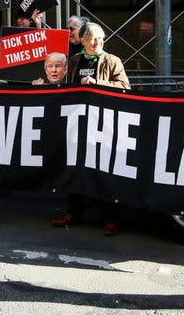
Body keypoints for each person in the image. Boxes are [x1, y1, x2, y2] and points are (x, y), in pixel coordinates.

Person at [53, 22, 131, 236]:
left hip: (102, 125)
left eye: (100, 38)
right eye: (93, 39)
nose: (98, 42)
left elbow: (125, 87)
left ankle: (111, 219)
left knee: (102, 172)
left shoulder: (112, 61)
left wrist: (97, 83)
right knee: (75, 169)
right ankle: (73, 212)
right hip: (78, 124)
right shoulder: (75, 60)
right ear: (84, 41)